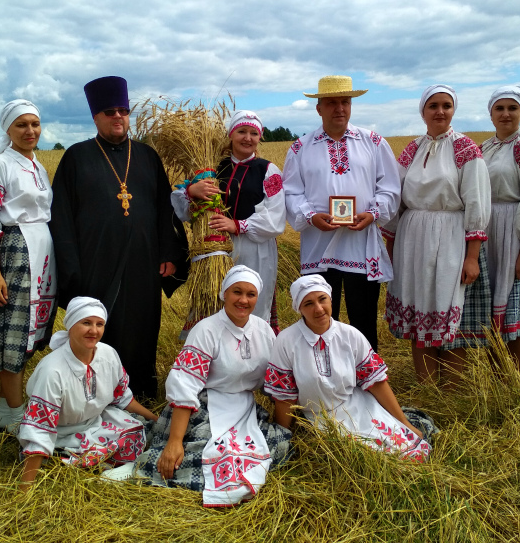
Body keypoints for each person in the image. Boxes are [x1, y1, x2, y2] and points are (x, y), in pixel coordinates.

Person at [49, 76, 188, 400]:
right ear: (95, 116)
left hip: (143, 259)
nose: (117, 117)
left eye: (123, 110)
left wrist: (168, 251)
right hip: (96, 260)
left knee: (143, 324)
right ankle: (96, 394)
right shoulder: (76, 157)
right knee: (99, 327)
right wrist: (71, 268)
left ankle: (140, 390)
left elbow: (163, 205)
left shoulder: (146, 156)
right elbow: (62, 217)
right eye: (109, 111)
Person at [137, 266, 293, 508]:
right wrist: (175, 441)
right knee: (207, 451)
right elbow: (185, 385)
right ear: (224, 294)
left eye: (251, 294)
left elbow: (274, 382)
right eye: (236, 292)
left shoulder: (263, 330)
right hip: (204, 404)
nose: (243, 300)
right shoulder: (206, 330)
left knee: (279, 443)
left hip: (244, 407)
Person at [383, 85, 491, 387]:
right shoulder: (411, 149)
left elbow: (477, 203)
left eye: (446, 105)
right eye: (433, 105)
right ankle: (427, 386)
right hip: (412, 237)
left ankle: (452, 388)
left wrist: (472, 257)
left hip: (451, 235)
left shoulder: (466, 148)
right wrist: (390, 248)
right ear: (423, 111)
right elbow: (396, 200)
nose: (440, 111)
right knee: (419, 304)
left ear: (453, 109)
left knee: (448, 302)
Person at [283, 75, 401, 351]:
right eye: (332, 102)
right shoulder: (300, 148)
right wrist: (311, 216)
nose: (340, 108)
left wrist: (372, 213)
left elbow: (390, 187)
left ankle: (367, 382)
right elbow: (290, 192)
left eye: (345, 102)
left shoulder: (373, 142)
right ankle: (323, 380)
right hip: (319, 247)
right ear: (319, 108)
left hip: (361, 246)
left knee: (364, 321)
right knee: (319, 320)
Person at [264, 275, 432, 462]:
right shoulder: (287, 341)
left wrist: (404, 423)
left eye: (322, 299)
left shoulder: (350, 335)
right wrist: (284, 436)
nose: (318, 309)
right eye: (308, 304)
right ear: (299, 309)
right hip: (317, 418)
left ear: (330, 299)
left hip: (357, 405)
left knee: (405, 452)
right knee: (355, 458)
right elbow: (285, 397)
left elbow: (376, 383)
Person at [457, 86, 520, 373]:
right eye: (499, 109)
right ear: (490, 114)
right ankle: (498, 376)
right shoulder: (484, 148)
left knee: (518, 307)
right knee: (494, 307)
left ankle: (516, 381)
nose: (506, 114)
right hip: (489, 233)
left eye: (512, 108)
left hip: (516, 232)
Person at [18, 297, 157, 490]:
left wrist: (154, 418)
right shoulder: (53, 372)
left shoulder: (108, 355)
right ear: (71, 325)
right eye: (86, 323)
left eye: (99, 324)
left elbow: (121, 395)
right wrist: (25, 490)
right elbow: (40, 429)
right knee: (71, 458)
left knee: (137, 431)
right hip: (60, 434)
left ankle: (114, 468)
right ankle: (109, 468)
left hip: (95, 421)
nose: (94, 330)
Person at [0, 99, 57, 432]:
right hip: (16, 251)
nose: (30, 131)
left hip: (42, 252)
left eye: (35, 124)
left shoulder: (38, 165)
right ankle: (15, 412)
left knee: (31, 333)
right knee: (14, 331)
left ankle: (5, 409)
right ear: (8, 128)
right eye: (21, 125)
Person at [171, 110, 286, 332]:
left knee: (248, 302)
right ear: (231, 135)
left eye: (254, 133)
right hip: (213, 248)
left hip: (255, 249)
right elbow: (183, 211)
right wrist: (192, 191)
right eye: (241, 131)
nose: (248, 138)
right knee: (214, 303)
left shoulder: (268, 170)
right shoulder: (212, 168)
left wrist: (238, 225)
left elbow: (276, 216)